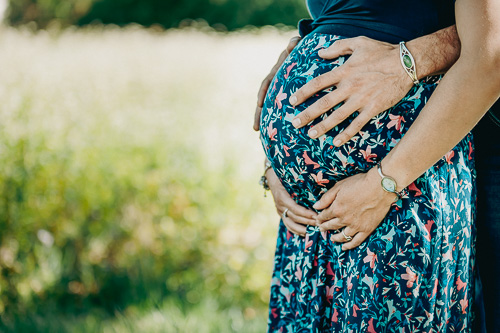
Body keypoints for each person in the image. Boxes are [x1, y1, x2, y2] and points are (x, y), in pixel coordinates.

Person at [256, 0, 500, 331]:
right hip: (312, 216)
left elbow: (491, 49)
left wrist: (383, 183)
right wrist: (281, 161)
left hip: (403, 181)